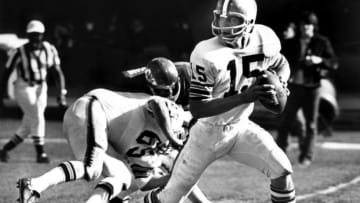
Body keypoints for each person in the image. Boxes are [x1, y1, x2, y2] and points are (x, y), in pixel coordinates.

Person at [144, 0, 296, 203]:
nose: (224, 25)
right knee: (169, 198)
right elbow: (198, 108)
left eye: (232, 19)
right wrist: (244, 97)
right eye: (220, 17)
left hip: (240, 127)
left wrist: (281, 82)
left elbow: (281, 63)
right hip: (207, 133)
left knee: (282, 170)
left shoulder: (264, 38)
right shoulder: (206, 53)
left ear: (249, 22)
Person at [17, 58, 209, 203]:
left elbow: (145, 183)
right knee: (91, 167)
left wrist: (177, 177)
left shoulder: (150, 149)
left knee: (122, 176)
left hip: (93, 117)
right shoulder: (169, 112)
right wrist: (174, 140)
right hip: (94, 107)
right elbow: (157, 104)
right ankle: (35, 185)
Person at [276, 11, 338, 167]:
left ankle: (306, 157)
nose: (306, 28)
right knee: (285, 121)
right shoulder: (292, 42)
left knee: (311, 124)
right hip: (293, 87)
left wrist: (319, 60)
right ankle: (279, 154)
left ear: (314, 26)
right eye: (303, 25)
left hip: (312, 88)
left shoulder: (321, 42)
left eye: (309, 25)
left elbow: (334, 62)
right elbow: (281, 61)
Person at [0, 20, 67, 163]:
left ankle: (4, 149)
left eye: (38, 35)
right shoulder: (19, 51)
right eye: (32, 35)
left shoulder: (50, 49)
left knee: (28, 124)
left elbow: (57, 72)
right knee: (37, 116)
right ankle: (40, 153)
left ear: (42, 35)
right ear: (28, 36)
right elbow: (6, 73)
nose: (35, 38)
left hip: (41, 87)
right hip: (23, 87)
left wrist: (61, 93)